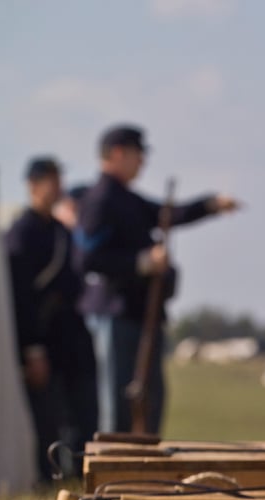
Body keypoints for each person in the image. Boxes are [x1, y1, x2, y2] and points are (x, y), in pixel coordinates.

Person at [76, 124, 238, 434]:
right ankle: (113, 472)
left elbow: (168, 214)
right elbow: (87, 260)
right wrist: (142, 263)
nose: (142, 162)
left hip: (139, 314)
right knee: (119, 401)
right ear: (119, 153)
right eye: (138, 154)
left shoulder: (124, 198)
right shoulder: (100, 200)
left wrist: (209, 204)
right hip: (115, 313)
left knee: (148, 398)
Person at [4, 156, 98, 483]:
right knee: (48, 419)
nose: (57, 187)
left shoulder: (60, 231)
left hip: (70, 336)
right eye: (51, 180)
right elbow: (21, 296)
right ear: (34, 185)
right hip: (44, 340)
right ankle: (52, 480)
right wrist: (32, 348)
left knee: (82, 414)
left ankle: (83, 477)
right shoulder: (22, 232)